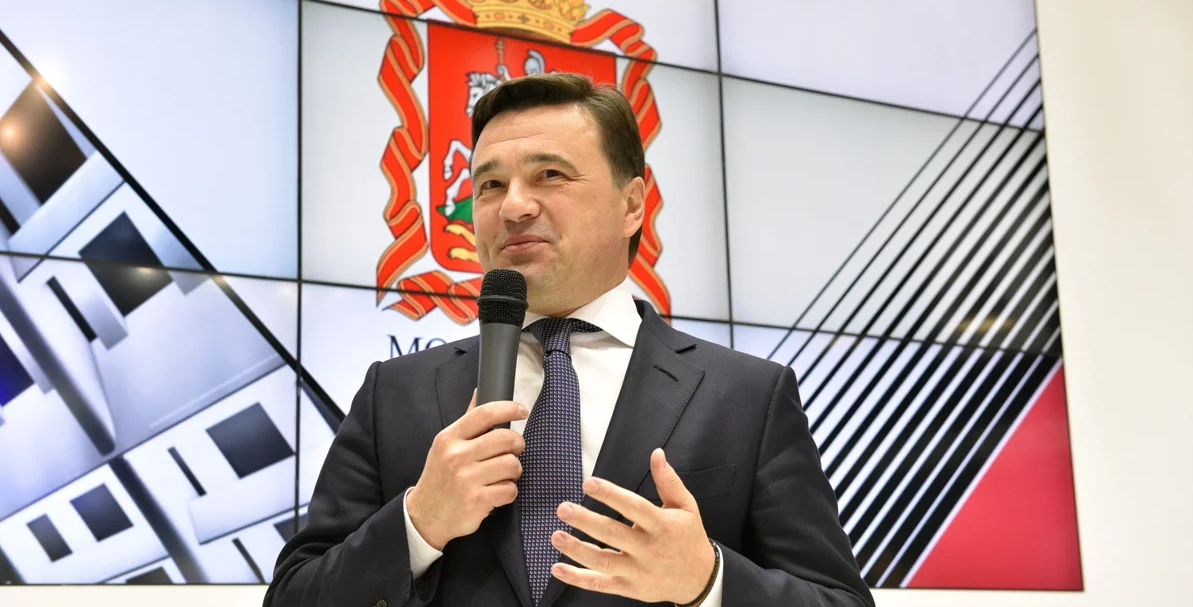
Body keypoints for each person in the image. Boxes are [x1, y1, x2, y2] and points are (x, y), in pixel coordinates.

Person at [263, 73, 875, 607]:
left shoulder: (747, 396)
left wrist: (707, 581)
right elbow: (294, 596)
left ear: (632, 205)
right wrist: (419, 523)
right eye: (489, 185)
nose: (513, 207)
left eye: (549, 174)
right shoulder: (395, 393)